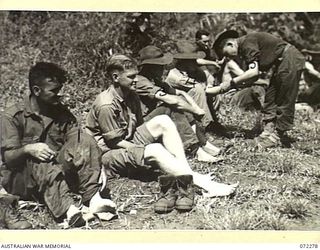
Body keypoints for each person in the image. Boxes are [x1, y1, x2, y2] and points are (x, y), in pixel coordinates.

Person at [85, 54, 237, 213]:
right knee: (155, 149)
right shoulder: (107, 105)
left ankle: (185, 172)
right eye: (131, 77)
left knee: (163, 120)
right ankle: (204, 184)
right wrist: (148, 150)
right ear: (116, 77)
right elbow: (115, 143)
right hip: (108, 154)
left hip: (127, 139)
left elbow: (139, 126)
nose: (136, 79)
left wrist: (149, 145)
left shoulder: (131, 94)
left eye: (136, 75)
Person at [1, 62, 114, 228]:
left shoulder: (61, 112)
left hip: (57, 174)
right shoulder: (12, 117)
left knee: (85, 139)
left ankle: (93, 198)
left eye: (60, 89)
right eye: (54, 91)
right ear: (36, 90)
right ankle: (68, 211)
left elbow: (76, 141)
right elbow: (9, 159)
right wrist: (28, 149)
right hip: (22, 181)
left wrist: (89, 156)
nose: (60, 95)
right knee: (40, 156)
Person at [213, 30, 305, 148]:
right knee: (270, 98)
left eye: (226, 53)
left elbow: (253, 72)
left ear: (230, 44)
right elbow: (254, 77)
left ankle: (277, 136)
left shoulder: (246, 42)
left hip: (289, 59)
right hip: (282, 63)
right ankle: (268, 131)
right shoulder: (245, 46)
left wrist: (230, 83)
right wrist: (232, 86)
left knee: (284, 98)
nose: (228, 57)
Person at [136, 45, 222, 163]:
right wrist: (195, 111)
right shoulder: (140, 81)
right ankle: (196, 150)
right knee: (171, 107)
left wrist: (195, 107)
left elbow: (180, 93)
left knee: (179, 102)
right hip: (141, 125)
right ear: (151, 67)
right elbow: (172, 100)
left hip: (153, 120)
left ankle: (203, 143)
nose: (163, 69)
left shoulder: (154, 80)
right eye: (160, 66)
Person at [165, 40, 227, 135]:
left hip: (193, 105)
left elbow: (207, 78)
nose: (195, 63)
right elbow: (203, 90)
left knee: (207, 92)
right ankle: (206, 125)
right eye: (192, 61)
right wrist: (226, 87)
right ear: (183, 62)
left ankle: (213, 122)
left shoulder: (193, 70)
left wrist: (210, 82)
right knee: (198, 90)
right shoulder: (176, 76)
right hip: (178, 108)